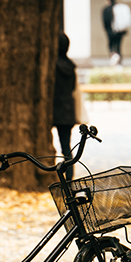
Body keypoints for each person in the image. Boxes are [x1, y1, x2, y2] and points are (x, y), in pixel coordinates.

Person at [53, 33, 77, 178]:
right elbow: (73, 88)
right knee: (66, 148)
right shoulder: (71, 66)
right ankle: (69, 179)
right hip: (67, 111)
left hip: (52, 110)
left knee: (48, 149)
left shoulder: (52, 66)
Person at [102, 0, 131, 65]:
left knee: (111, 46)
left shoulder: (106, 9)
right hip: (120, 31)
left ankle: (114, 59)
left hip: (110, 32)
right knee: (118, 46)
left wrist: (107, 30)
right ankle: (119, 62)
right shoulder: (119, 8)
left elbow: (105, 22)